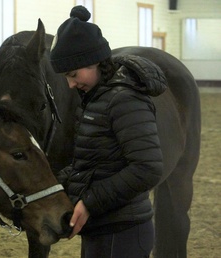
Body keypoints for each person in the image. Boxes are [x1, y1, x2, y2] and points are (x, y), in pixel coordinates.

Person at [50, 5, 167, 258]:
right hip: (103, 228)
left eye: (73, 74)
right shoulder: (95, 98)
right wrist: (54, 186)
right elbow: (91, 163)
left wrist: (90, 202)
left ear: (93, 61)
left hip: (122, 232)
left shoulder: (125, 100)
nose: (70, 84)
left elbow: (148, 168)